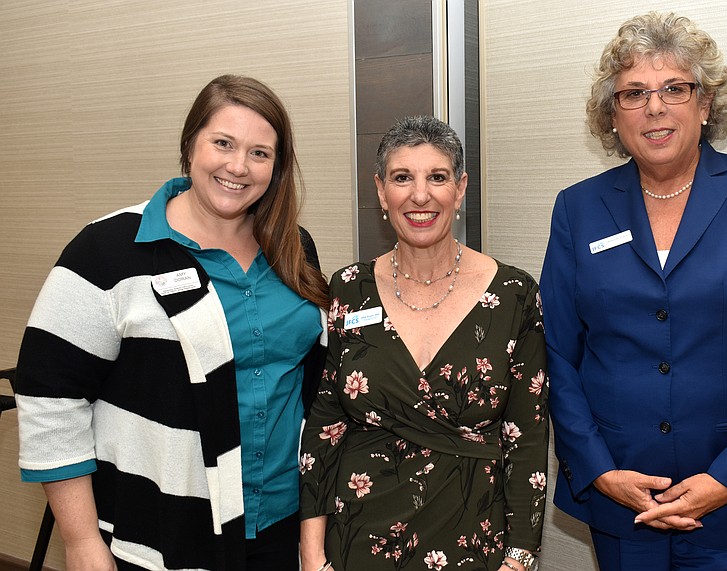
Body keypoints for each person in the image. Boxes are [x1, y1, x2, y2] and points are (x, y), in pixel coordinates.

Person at [539, 11, 727, 571]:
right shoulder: (577, 208)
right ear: (612, 116)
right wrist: (597, 468)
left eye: (675, 88)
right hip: (624, 500)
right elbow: (557, 354)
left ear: (706, 103)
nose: (655, 107)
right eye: (633, 93)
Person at [15, 74, 328, 570]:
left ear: (278, 167)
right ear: (189, 145)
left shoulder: (293, 247)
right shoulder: (109, 250)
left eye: (259, 153)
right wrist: (80, 541)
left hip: (283, 519)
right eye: (222, 143)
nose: (238, 166)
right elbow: (50, 396)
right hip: (164, 531)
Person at [299, 116, 548, 571]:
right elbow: (325, 426)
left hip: (475, 538)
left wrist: (520, 554)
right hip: (359, 538)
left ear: (461, 188)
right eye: (402, 178)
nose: (420, 195)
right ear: (380, 191)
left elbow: (527, 437)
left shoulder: (514, 294)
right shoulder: (349, 288)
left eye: (437, 177)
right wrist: (312, 554)